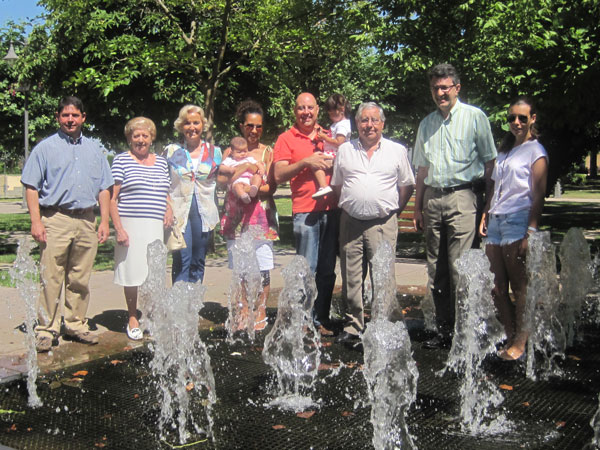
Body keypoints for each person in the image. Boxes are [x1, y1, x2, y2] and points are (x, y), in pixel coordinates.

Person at [413, 63, 497, 349]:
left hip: (464, 197)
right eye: (435, 88)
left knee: (461, 269)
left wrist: (487, 207)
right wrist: (417, 208)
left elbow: (489, 165)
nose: (440, 93)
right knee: (437, 270)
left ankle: (466, 333)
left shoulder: (475, 118)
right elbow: (421, 171)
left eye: (445, 87)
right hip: (433, 199)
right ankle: (444, 330)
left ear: (456, 88)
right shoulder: (426, 124)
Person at [21, 96, 114, 352]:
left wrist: (104, 220)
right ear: (57, 117)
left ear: (84, 117)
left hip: (86, 219)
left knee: (80, 278)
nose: (70, 120)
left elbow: (105, 188)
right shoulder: (45, 148)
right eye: (65, 115)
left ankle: (75, 324)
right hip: (56, 218)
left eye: (75, 115)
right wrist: (36, 221)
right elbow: (31, 186)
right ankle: (46, 329)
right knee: (51, 276)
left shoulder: (95, 150)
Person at [331, 102, 415, 344]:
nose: (369, 125)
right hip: (351, 223)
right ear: (357, 124)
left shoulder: (397, 150)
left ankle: (383, 325)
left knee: (383, 277)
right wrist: (353, 205)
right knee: (352, 277)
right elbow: (337, 185)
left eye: (374, 120)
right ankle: (353, 326)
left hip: (383, 223)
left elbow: (406, 185)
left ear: (382, 124)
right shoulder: (345, 150)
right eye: (364, 120)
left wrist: (391, 210)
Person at [479, 97, 548, 361]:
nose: (516, 123)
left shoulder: (536, 151)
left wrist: (530, 231)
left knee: (520, 285)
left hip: (518, 220)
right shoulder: (505, 151)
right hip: (496, 220)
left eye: (522, 117)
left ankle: (521, 342)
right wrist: (486, 212)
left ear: (532, 119)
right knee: (496, 287)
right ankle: (510, 334)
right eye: (511, 118)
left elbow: (538, 194)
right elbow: (495, 188)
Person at [273, 92, 340, 337]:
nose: (306, 112)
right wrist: (306, 162)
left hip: (332, 210)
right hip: (305, 211)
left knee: (326, 270)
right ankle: (302, 319)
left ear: (317, 109)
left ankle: (320, 318)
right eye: (301, 108)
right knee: (306, 269)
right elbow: (279, 175)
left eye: (310, 107)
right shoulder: (286, 138)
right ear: (295, 111)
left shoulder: (330, 135)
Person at [110, 117, 172, 340]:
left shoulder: (162, 162)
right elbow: (112, 198)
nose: (140, 139)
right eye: (136, 136)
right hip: (130, 224)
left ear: (151, 138)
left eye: (145, 135)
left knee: (152, 274)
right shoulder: (121, 161)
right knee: (132, 273)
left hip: (155, 225)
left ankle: (150, 316)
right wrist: (118, 228)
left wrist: (169, 209)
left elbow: (165, 191)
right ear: (129, 138)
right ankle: (132, 317)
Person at [218, 100, 279, 331]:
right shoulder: (229, 152)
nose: (254, 130)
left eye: (259, 126)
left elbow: (270, 187)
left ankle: (260, 309)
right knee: (241, 268)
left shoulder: (267, 152)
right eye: (250, 125)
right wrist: (243, 171)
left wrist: (252, 189)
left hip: (260, 217)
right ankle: (243, 308)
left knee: (263, 266)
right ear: (242, 125)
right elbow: (222, 183)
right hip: (235, 217)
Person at [163, 105, 222, 284]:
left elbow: (226, 178)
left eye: (196, 123)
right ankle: (180, 307)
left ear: (202, 125)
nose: (192, 127)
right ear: (181, 126)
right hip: (179, 212)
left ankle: (193, 305)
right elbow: (162, 181)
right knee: (182, 258)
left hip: (204, 212)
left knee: (198, 259)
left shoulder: (215, 152)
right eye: (187, 123)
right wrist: (166, 206)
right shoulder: (171, 151)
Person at [312, 93, 352, 199]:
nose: (331, 117)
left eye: (333, 114)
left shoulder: (343, 125)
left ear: (342, 109)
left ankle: (323, 186)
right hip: (333, 154)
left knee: (316, 163)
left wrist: (325, 138)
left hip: (336, 155)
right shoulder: (338, 124)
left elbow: (339, 141)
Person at [219, 136, 264, 204]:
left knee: (257, 177)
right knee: (238, 186)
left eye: (245, 151)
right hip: (237, 180)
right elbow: (221, 167)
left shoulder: (249, 158)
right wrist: (229, 169)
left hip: (250, 179)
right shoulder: (230, 160)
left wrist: (261, 169)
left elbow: (258, 164)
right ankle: (243, 196)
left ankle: (254, 188)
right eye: (239, 152)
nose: (243, 154)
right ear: (232, 152)